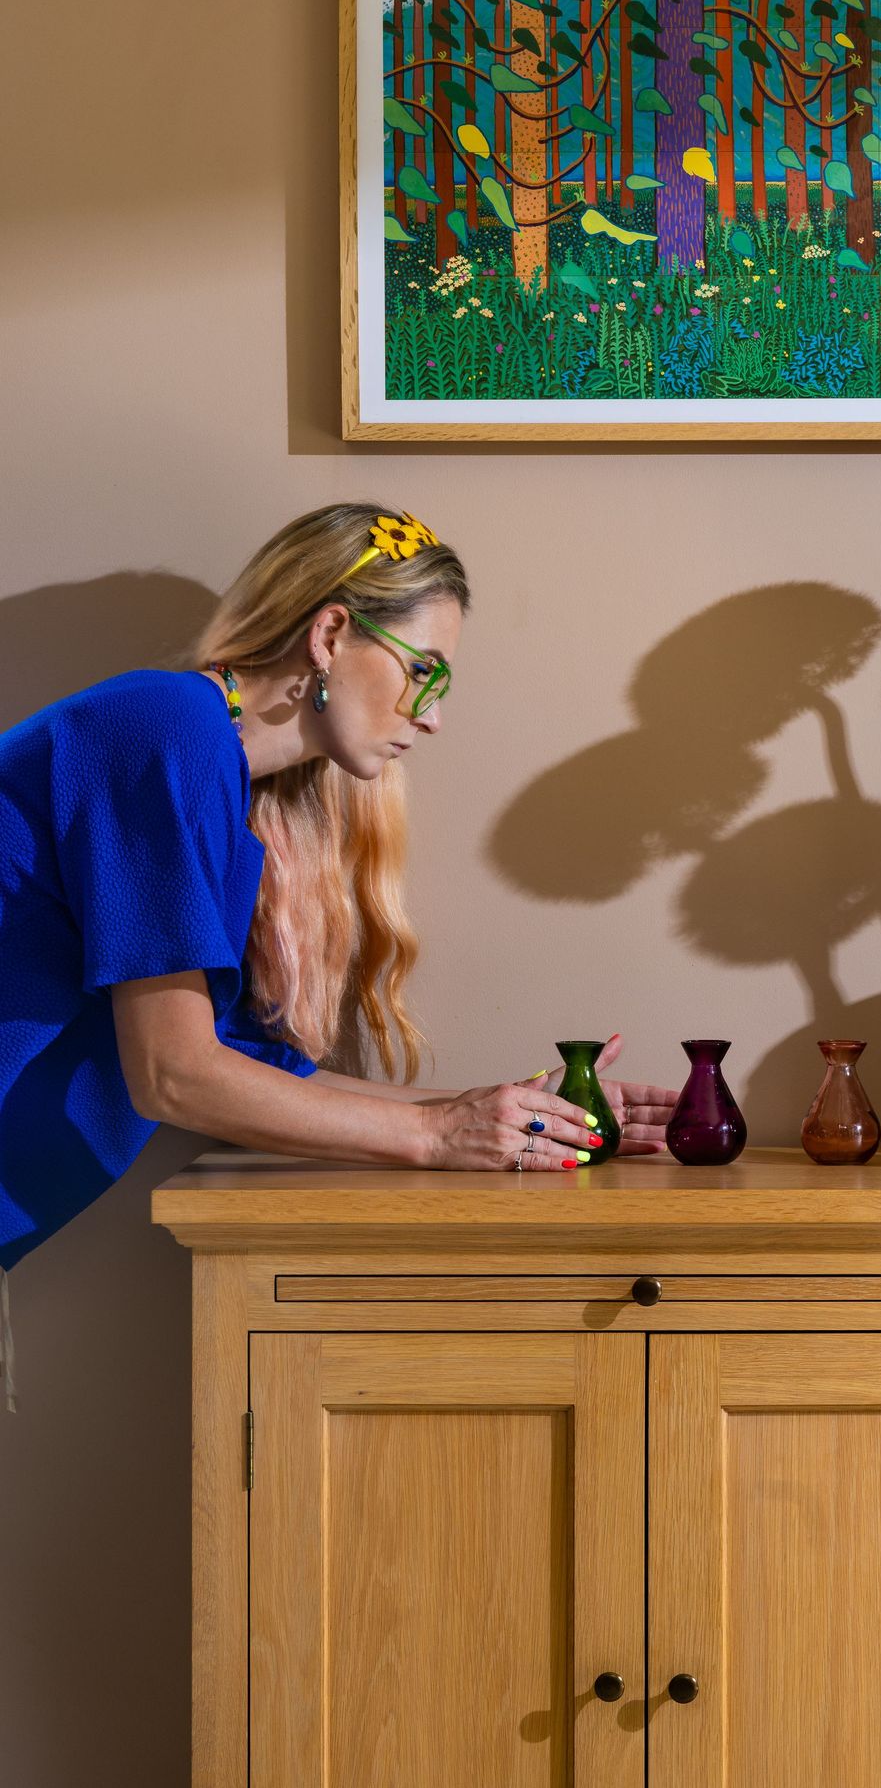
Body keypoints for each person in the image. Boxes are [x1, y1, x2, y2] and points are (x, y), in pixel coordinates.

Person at [0, 503, 676, 1391]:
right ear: (328, 634)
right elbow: (173, 1073)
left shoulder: (218, 786)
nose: (429, 719)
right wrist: (436, 1135)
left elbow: (244, 1067)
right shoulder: (164, 728)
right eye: (422, 672)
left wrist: (516, 1118)